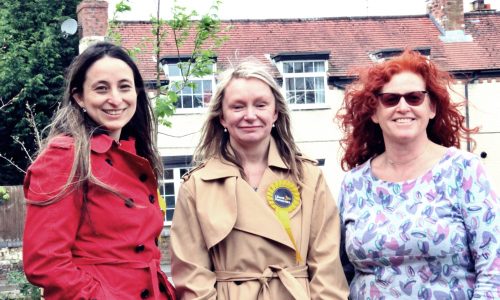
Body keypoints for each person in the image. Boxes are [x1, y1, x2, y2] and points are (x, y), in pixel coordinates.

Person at [170, 60, 349, 299]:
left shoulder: (308, 175)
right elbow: (192, 276)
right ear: (222, 116)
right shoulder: (197, 184)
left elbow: (327, 268)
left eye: (261, 105)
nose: (250, 115)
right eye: (238, 107)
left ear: (275, 112)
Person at [337, 50, 500, 299]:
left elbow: (493, 271)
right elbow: (340, 274)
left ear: (431, 108)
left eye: (414, 98)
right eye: (390, 99)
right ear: (373, 112)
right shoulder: (353, 184)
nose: (403, 107)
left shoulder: (464, 171)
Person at [22, 42, 176, 299]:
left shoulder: (134, 155)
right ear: (79, 97)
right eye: (101, 88)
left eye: (124, 87)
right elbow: (45, 263)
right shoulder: (65, 157)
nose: (115, 99)